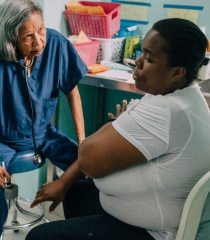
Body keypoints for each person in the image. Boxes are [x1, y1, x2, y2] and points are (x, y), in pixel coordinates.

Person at [26, 18, 210, 240]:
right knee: (77, 192)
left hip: (155, 233)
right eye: (142, 52)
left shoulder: (168, 110)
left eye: (149, 59)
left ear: (177, 72)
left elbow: (88, 160)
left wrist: (115, 124)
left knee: (39, 237)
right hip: (152, 213)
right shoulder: (184, 98)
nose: (137, 62)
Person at [0, 0, 89, 239]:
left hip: (43, 133)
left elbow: (73, 92)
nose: (38, 42)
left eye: (41, 30)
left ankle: (82, 233)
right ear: (12, 37)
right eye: (27, 36)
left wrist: (82, 141)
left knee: (87, 166)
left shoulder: (56, 44)